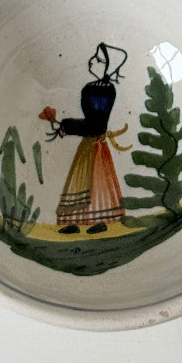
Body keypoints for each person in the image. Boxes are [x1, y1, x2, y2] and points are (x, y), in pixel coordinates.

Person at [44, 43, 130, 235]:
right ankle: (76, 222)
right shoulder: (90, 88)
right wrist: (67, 125)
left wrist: (68, 125)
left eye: (99, 60)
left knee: (93, 182)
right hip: (88, 143)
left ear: (108, 67)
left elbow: (96, 125)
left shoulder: (105, 91)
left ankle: (98, 221)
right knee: (82, 181)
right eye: (94, 57)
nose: (92, 61)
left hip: (95, 143)